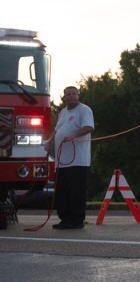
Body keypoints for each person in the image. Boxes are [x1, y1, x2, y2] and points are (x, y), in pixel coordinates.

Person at [44, 85, 94, 230]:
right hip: (62, 161)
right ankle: (65, 218)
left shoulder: (84, 110)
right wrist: (50, 141)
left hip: (78, 160)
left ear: (78, 95)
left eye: (73, 94)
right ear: (64, 97)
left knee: (76, 191)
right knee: (62, 191)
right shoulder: (63, 112)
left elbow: (89, 127)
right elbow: (57, 130)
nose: (71, 96)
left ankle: (77, 220)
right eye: (68, 94)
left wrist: (73, 136)